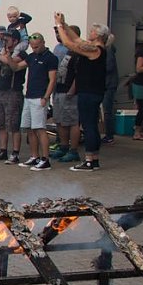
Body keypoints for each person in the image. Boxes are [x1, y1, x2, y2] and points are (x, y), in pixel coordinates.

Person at [55, 13, 109, 172]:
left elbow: (69, 43)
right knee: (89, 124)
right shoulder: (94, 47)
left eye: (92, 31)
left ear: (98, 35)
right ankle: (94, 160)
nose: (90, 32)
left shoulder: (96, 49)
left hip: (90, 92)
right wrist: (64, 24)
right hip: (91, 91)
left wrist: (59, 26)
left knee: (89, 125)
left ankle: (89, 161)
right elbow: (77, 40)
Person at [5, 32, 58, 171]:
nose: (34, 49)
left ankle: (45, 159)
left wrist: (46, 97)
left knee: (40, 129)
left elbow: (52, 79)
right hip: (28, 96)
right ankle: (34, 157)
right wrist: (8, 58)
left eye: (37, 46)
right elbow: (16, 67)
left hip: (40, 97)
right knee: (29, 128)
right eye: (33, 47)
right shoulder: (32, 56)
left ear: (43, 43)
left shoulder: (50, 58)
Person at [0, 29, 26, 164]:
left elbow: (13, 64)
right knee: (0, 123)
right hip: (1, 90)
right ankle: (3, 151)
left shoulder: (22, 54)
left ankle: (15, 153)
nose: (4, 41)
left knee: (13, 125)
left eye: (7, 39)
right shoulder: (3, 52)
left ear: (15, 40)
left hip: (13, 91)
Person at [50, 26, 82, 163]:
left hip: (70, 91)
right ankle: (63, 146)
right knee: (60, 120)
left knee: (72, 122)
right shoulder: (65, 50)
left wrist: (72, 89)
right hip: (59, 89)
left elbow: (79, 74)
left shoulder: (78, 52)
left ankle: (73, 150)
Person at [102, 34, 119, 145]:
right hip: (107, 83)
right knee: (107, 109)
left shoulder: (108, 50)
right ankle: (109, 134)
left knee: (107, 110)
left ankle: (109, 135)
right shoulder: (108, 50)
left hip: (108, 84)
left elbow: (109, 67)